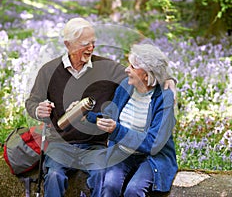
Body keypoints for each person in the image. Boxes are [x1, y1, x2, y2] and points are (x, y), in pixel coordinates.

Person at [25, 17, 177, 197]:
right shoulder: (48, 71)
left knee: (101, 177)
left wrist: (168, 78)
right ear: (68, 44)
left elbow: (145, 72)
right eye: (85, 43)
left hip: (94, 144)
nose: (91, 48)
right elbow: (32, 102)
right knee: (54, 176)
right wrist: (37, 109)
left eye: (93, 43)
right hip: (61, 144)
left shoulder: (107, 68)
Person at [86, 43, 178, 196]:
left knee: (134, 190)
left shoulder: (164, 97)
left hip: (151, 158)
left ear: (147, 75)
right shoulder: (126, 86)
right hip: (122, 153)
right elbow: (110, 115)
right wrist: (86, 114)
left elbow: (153, 144)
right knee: (109, 185)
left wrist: (117, 130)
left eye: (133, 66)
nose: (126, 69)